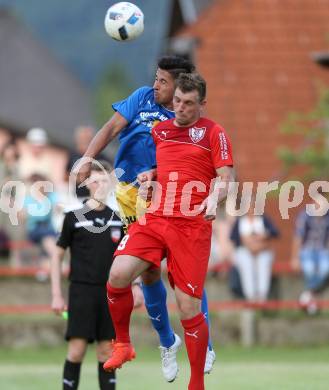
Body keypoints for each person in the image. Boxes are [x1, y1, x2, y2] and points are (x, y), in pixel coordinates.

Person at [76, 56, 216, 381]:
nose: (156, 85)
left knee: (185, 276)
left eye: (163, 82)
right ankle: (167, 341)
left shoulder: (184, 120)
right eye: (156, 78)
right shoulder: (142, 97)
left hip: (166, 198)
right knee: (149, 273)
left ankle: (203, 343)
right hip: (129, 193)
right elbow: (111, 128)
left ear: (180, 88)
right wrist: (87, 158)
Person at [103, 73, 234, 390]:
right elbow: (173, 166)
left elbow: (226, 177)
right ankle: (123, 344)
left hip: (191, 225)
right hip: (156, 217)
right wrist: (153, 174)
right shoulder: (161, 131)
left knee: (188, 307)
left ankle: (196, 381)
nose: (180, 108)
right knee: (118, 275)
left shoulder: (214, 133)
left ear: (201, 104)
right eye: (177, 101)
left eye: (188, 103)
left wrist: (215, 199)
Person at [51, 161, 135, 390]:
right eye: (95, 180)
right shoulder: (73, 217)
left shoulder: (119, 218)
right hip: (81, 292)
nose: (99, 185)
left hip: (110, 295)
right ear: (87, 183)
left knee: (106, 352)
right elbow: (57, 256)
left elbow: (129, 256)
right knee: (76, 351)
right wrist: (57, 294)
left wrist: (135, 285)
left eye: (104, 180)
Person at [230, 203, 279, 301]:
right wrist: (249, 242)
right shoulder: (240, 221)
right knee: (246, 265)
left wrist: (263, 237)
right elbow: (233, 238)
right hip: (245, 252)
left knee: (263, 264)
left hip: (262, 251)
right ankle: (250, 297)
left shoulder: (263, 219)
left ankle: (262, 296)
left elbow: (275, 233)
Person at [290, 196, 329, 314]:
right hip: (307, 249)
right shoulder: (305, 216)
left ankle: (307, 294)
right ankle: (313, 297)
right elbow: (298, 237)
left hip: (323, 250)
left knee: (325, 268)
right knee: (309, 268)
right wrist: (295, 257)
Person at [66, 126, 110, 199]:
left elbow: (109, 172)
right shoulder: (73, 155)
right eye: (82, 138)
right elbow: (66, 174)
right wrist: (76, 177)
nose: (85, 141)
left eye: (87, 138)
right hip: (78, 196)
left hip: (97, 196)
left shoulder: (100, 156)